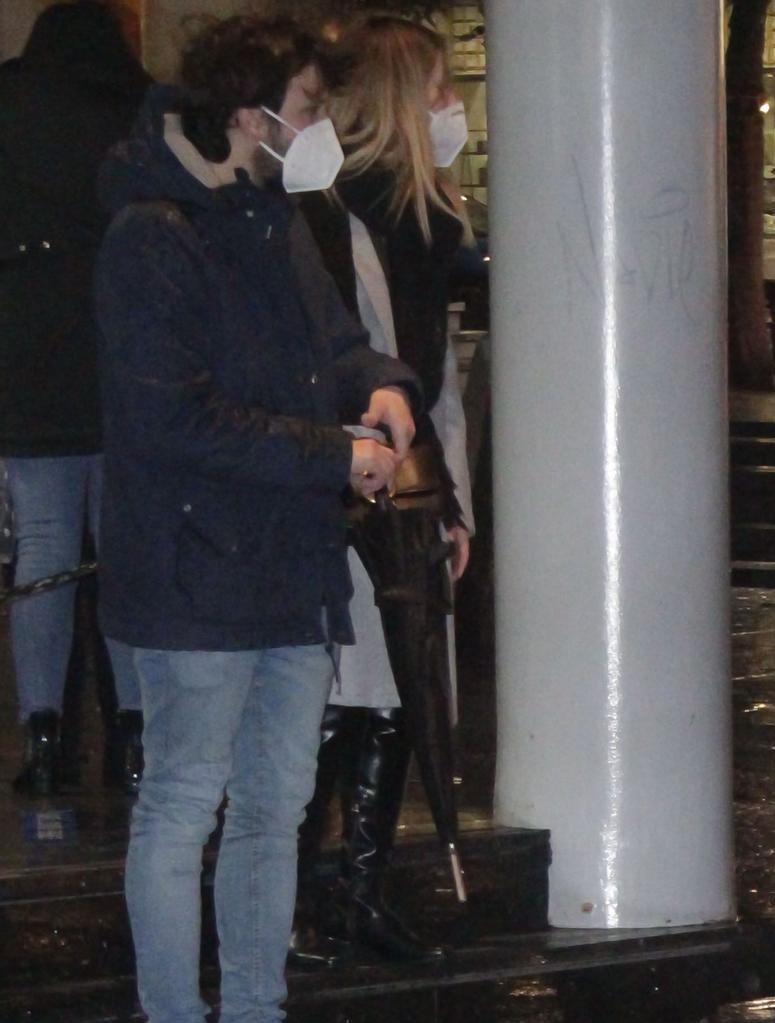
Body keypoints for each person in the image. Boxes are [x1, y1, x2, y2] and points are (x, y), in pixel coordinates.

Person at [96, 16, 418, 1023]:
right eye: (309, 105)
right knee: (185, 801)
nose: (320, 126)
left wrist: (377, 382)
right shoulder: (153, 231)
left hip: (283, 558)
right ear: (249, 116)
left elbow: (327, 346)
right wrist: (334, 452)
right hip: (194, 565)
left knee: (276, 803)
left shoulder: (270, 217)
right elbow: (175, 420)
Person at [291, 14, 475, 965]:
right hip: (367, 477)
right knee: (369, 689)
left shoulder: (412, 211)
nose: (455, 106)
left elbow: (433, 370)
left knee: (390, 691)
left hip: (398, 479)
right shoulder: (342, 207)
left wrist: (454, 498)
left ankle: (337, 891)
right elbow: (404, 365)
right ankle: (326, 893)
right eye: (441, 87)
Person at [0, 1, 150, 795]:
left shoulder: (9, 102)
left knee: (45, 548)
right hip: (121, 355)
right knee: (122, 548)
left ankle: (44, 734)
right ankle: (132, 731)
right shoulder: (140, 107)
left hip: (26, 358)